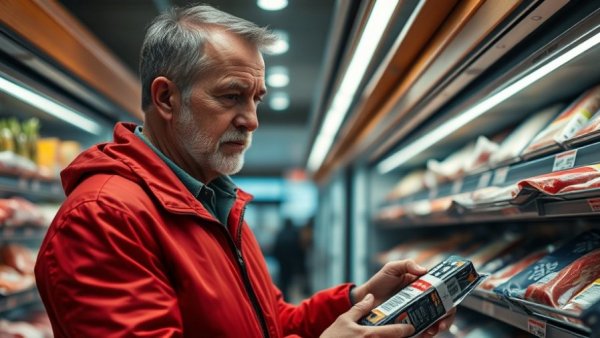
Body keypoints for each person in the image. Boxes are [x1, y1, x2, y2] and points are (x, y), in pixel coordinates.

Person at [34, 4, 455, 337]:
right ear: (166, 98)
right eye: (232, 96)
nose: (251, 119)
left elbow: (271, 323)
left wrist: (358, 300)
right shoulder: (103, 217)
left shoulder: (217, 201)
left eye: (257, 99)